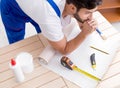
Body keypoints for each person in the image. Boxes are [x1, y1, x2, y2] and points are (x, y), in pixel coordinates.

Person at [1, 0, 102, 54]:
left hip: (37, 5)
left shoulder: (72, 4)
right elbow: (64, 50)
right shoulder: (49, 17)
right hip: (12, 8)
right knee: (16, 39)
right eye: (88, 13)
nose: (91, 17)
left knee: (45, 36)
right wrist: (84, 34)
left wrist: (81, 19)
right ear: (72, 7)